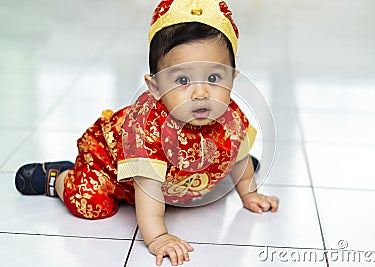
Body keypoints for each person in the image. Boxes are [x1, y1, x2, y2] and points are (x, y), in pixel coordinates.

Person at [15, 0, 279, 266]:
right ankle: (59, 177)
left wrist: (249, 193)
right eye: (183, 80)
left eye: (214, 78)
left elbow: (240, 154)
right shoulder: (148, 129)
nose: (201, 93)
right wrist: (158, 237)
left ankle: (220, 169)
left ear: (232, 78)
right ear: (155, 87)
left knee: (231, 157)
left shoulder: (229, 116)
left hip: (176, 180)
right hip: (117, 172)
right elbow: (149, 192)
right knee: (90, 203)